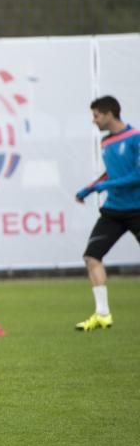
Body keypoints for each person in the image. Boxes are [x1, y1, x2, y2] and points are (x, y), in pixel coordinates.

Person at [73, 95, 140, 332]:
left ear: (109, 114)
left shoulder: (136, 138)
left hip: (137, 209)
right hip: (114, 210)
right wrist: (91, 188)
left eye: (96, 115)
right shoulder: (106, 143)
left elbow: (137, 175)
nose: (94, 120)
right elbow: (110, 174)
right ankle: (102, 314)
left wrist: (105, 186)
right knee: (92, 257)